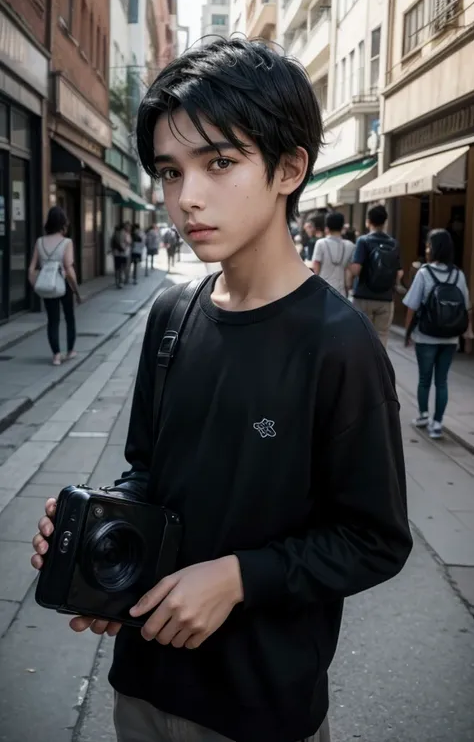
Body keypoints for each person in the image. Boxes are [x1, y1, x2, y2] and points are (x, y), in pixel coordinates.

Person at [31, 38, 412, 742]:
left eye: (221, 162)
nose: (188, 197)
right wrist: (102, 539)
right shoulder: (172, 313)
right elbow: (147, 469)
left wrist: (239, 577)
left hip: (260, 706)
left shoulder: (339, 344)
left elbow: (375, 539)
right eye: (171, 173)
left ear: (288, 169)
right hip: (142, 683)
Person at [403, 228, 472, 440]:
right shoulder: (458, 274)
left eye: (428, 245)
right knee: (442, 381)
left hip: (426, 335)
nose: (426, 248)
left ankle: (423, 415)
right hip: (450, 337)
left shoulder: (424, 273)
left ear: (433, 248)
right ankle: (437, 424)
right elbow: (466, 306)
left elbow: (412, 306)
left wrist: (408, 333)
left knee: (425, 379)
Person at [28, 206, 81, 366]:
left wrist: (37, 286)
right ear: (63, 224)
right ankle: (70, 351)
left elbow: (31, 269)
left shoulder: (39, 241)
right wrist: (76, 291)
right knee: (69, 317)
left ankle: (56, 355)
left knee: (52, 320)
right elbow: (69, 269)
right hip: (63, 282)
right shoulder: (66, 242)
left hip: (46, 283)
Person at [351, 204, 405, 348]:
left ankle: (362, 368)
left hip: (363, 295)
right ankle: (379, 368)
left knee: (361, 334)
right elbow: (399, 272)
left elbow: (356, 269)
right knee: (381, 335)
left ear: (368, 221)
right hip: (386, 298)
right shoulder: (393, 243)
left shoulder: (364, 241)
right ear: (385, 222)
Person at [312, 212, 354, 296]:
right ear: (342, 227)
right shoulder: (350, 245)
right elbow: (349, 273)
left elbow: (316, 269)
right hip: (341, 293)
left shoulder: (320, 243)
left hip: (323, 291)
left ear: (327, 227)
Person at [111, 224, 127, 289]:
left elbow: (111, 244)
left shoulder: (114, 235)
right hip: (121, 253)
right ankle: (120, 282)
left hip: (116, 253)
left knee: (117, 268)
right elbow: (125, 243)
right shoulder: (122, 234)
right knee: (121, 268)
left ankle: (118, 282)